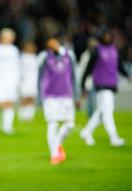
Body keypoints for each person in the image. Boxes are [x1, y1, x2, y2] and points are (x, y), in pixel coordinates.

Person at [80, 29, 131, 147]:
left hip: (112, 85)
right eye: (105, 36)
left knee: (102, 112)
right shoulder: (96, 51)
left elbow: (119, 66)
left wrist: (127, 75)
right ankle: (114, 138)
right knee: (107, 113)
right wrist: (83, 84)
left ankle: (86, 131)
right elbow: (88, 68)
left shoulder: (114, 50)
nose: (108, 38)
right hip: (101, 85)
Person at [38, 36, 78, 165]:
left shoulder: (69, 55)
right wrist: (40, 96)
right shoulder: (44, 57)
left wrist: (76, 95)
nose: (53, 44)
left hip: (66, 95)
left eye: (54, 41)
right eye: (50, 43)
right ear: (48, 45)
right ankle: (54, 154)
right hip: (50, 96)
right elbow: (39, 78)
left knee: (70, 124)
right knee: (53, 123)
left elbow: (74, 76)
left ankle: (57, 143)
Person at [18, 41, 38, 121]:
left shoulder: (35, 57)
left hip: (33, 80)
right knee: (25, 98)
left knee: (32, 98)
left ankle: (29, 116)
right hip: (25, 80)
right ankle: (22, 115)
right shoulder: (22, 57)